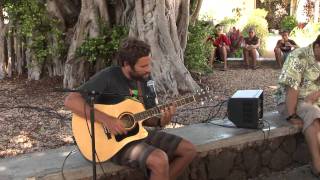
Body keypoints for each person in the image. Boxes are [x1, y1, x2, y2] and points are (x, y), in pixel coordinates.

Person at [64, 38, 197, 180]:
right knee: (159, 160)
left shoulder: (144, 80)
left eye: (149, 64)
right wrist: (107, 120)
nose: (148, 69)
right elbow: (71, 100)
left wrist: (161, 121)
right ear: (127, 64)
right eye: (143, 66)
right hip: (111, 142)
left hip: (137, 133)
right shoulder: (109, 76)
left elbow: (145, 119)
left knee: (188, 150)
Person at [276, 34, 320, 178]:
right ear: (317, 47)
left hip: (312, 99)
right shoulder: (299, 56)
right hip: (291, 101)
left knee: (313, 109)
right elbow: (291, 88)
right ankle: (317, 165)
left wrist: (316, 95)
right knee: (312, 113)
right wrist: (292, 114)